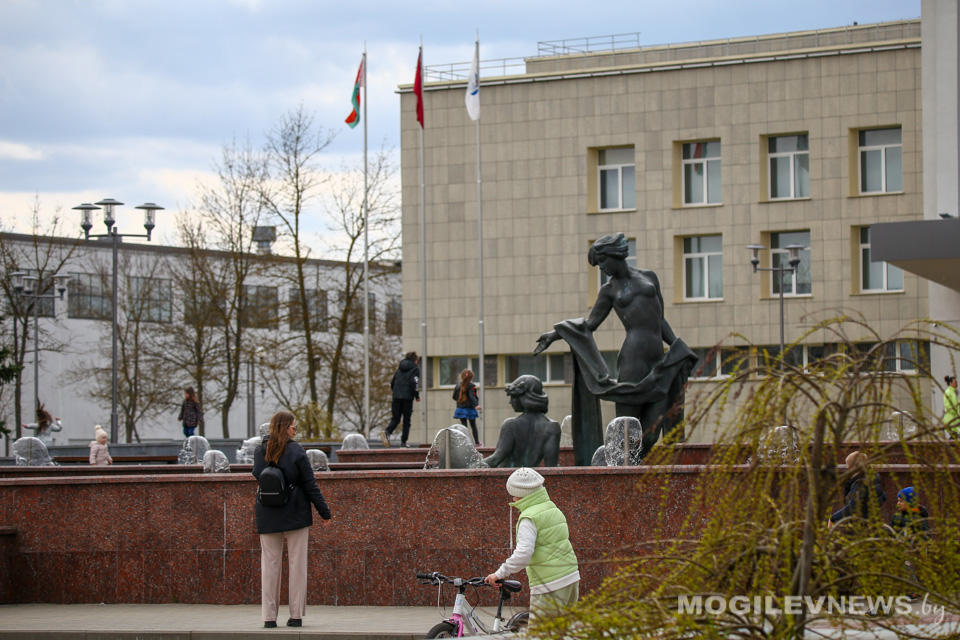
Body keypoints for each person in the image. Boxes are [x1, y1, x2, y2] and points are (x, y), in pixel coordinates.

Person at [534, 233, 698, 465]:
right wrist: (556, 333)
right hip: (633, 360)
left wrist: (677, 347)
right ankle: (618, 473)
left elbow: (660, 320)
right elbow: (590, 325)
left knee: (651, 434)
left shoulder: (650, 277)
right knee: (626, 429)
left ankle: (627, 469)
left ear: (615, 255)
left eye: (602, 261)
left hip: (657, 360)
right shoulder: (609, 291)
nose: (602, 267)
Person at [253, 410, 332, 629]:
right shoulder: (296, 451)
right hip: (296, 513)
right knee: (297, 566)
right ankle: (296, 616)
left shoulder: (260, 450)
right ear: (286, 427)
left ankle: (269, 618)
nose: (295, 432)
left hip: (267, 513)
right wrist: (324, 512)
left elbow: (257, 474)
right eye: (294, 428)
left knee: (269, 566)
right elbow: (310, 485)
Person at [485, 468, 580, 623]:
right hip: (570, 577)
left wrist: (499, 573)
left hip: (549, 583)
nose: (513, 499)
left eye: (513, 494)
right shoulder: (551, 507)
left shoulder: (529, 518)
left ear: (521, 494)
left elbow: (524, 553)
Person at [484, 375, 561, 468]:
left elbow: (496, 459)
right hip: (531, 479)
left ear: (524, 397)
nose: (510, 402)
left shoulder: (511, 425)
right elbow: (551, 467)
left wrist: (472, 465)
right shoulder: (552, 427)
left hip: (508, 479)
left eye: (513, 397)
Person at [890, 486, 931, 600]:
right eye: (898, 501)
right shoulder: (898, 516)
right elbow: (892, 529)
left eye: (901, 501)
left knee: (908, 567)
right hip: (902, 547)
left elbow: (925, 533)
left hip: (914, 548)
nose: (898, 503)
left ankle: (913, 591)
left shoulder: (918, 517)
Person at [828, 451, 887, 527]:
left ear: (850, 467)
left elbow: (851, 507)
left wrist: (833, 518)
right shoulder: (874, 476)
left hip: (860, 526)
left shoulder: (860, 484)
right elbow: (883, 497)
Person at [380, 352, 420, 448]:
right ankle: (403, 442)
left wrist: (396, 393)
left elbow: (392, 383)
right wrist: (416, 396)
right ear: (415, 361)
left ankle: (387, 432)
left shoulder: (399, 369)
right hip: (407, 398)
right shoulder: (415, 369)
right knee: (406, 420)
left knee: (396, 418)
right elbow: (413, 383)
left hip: (396, 397)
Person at [452, 369, 482, 445]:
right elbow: (472, 396)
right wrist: (476, 405)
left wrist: (460, 401)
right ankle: (477, 442)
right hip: (470, 409)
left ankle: (465, 442)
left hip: (461, 409)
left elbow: (454, 397)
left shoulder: (458, 386)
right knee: (473, 426)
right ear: (471, 378)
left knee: (464, 427)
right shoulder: (472, 386)